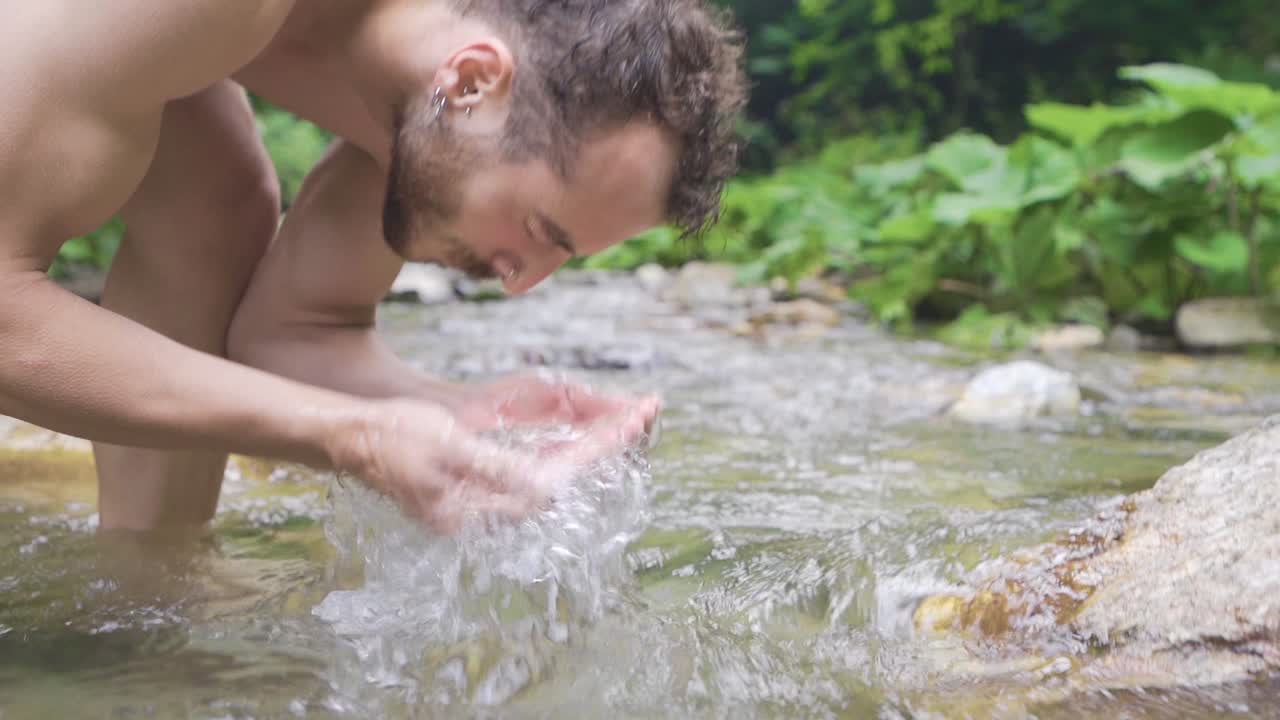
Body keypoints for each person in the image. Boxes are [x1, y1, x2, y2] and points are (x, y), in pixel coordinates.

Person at [0, 1, 746, 533]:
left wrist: (457, 414)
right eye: (540, 230)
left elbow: (290, 336)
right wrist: (354, 436)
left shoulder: (428, 120)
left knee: (217, 202)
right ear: (474, 79)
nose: (522, 282)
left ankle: (146, 591)